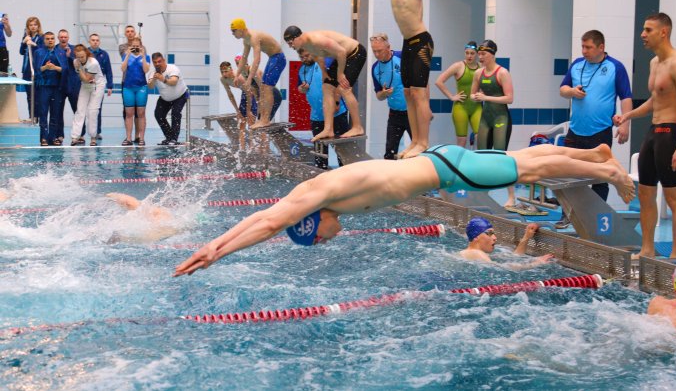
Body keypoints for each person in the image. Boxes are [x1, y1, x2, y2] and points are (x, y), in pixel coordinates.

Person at [173, 142, 634, 276]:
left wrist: (218, 253)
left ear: (313, 225)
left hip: (447, 170)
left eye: (318, 240)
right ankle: (594, 154)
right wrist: (214, 245)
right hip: (441, 159)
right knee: (526, 158)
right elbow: (266, 219)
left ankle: (608, 169)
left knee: (531, 170)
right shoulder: (318, 194)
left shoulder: (318, 197)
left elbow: (272, 222)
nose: (327, 242)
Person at [614, 13, 676, 261]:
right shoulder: (654, 63)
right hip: (653, 133)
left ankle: (675, 255)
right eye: (643, 29)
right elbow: (655, 101)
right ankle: (647, 249)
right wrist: (627, 116)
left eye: (648, 30)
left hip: (671, 135)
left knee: (674, 197)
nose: (643, 34)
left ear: (663, 32)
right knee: (645, 194)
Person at [556, 30, 633, 228]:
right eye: (583, 46)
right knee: (567, 175)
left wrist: (625, 124)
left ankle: (594, 218)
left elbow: (626, 97)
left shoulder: (615, 67)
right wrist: (571, 91)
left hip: (600, 132)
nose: (584, 51)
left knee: (600, 177)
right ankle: (567, 214)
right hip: (575, 130)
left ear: (601, 47)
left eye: (588, 47)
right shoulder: (577, 65)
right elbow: (562, 89)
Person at [381, 0, 438, 159]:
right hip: (407, 43)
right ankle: (414, 141)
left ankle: (423, 142)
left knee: (419, 93)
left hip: (421, 41)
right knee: (407, 93)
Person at [283, 25, 366, 141]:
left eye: (291, 43)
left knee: (343, 88)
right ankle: (328, 129)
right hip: (341, 56)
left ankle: (357, 127)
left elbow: (341, 52)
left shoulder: (316, 39)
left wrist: (340, 74)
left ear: (297, 37)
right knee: (326, 87)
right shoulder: (306, 45)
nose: (290, 46)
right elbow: (318, 57)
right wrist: (324, 74)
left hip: (355, 52)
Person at [470, 40, 522, 211]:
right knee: (481, 157)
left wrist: (486, 98)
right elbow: (472, 94)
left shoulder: (502, 73)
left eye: (483, 54)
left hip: (501, 118)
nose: (480, 57)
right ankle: (483, 193)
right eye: (479, 54)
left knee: (501, 158)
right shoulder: (478, 73)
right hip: (486, 118)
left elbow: (510, 98)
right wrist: (475, 97)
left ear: (492, 54)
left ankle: (511, 196)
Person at [297, 48, 350, 168]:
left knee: (342, 151)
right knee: (320, 155)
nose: (304, 59)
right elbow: (300, 88)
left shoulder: (326, 62)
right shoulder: (302, 70)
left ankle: (347, 175)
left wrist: (336, 102)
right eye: (302, 57)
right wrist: (302, 88)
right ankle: (322, 174)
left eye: (307, 56)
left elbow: (339, 82)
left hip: (336, 114)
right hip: (317, 117)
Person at [230, 18, 285, 129]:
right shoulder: (246, 40)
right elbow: (244, 58)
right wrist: (237, 75)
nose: (232, 33)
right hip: (273, 58)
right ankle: (263, 119)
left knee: (267, 88)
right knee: (264, 87)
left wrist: (249, 78)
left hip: (278, 58)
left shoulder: (253, 37)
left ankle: (265, 120)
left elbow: (257, 59)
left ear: (241, 29)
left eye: (234, 30)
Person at [370, 33, 411, 159]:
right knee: (389, 154)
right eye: (374, 51)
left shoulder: (402, 57)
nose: (377, 54)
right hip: (394, 114)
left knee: (419, 151)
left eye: (379, 51)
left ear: (388, 47)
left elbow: (423, 82)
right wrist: (384, 93)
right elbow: (379, 96)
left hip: (412, 113)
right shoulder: (375, 68)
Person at [435, 41, 482, 148]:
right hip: (461, 107)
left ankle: (479, 159)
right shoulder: (458, 66)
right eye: (467, 53)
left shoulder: (481, 67)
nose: (469, 56)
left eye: (472, 53)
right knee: (462, 141)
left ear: (477, 54)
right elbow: (439, 81)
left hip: (477, 107)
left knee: (481, 138)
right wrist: (451, 96)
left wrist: (483, 93)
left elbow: (488, 82)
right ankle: (459, 159)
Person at [459, 218, 555, 268]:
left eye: (493, 234)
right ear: (476, 237)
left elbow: (515, 256)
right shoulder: (477, 253)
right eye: (489, 234)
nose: (495, 238)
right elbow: (503, 268)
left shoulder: (472, 254)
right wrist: (536, 263)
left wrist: (526, 237)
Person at [33, 32, 69, 146]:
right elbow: (36, 69)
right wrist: (46, 67)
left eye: (52, 38)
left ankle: (53, 137)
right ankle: (44, 138)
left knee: (55, 113)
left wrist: (54, 67)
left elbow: (65, 69)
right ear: (44, 40)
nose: (50, 40)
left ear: (55, 40)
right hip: (43, 86)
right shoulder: (38, 52)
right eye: (47, 39)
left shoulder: (61, 52)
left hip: (56, 87)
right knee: (43, 113)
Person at [105, 192, 181, 244]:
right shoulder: (164, 215)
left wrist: (115, 196)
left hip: (154, 232)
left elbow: (132, 203)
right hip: (160, 232)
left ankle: (119, 238)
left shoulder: (158, 213)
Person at [147, 52, 189, 146]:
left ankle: (173, 139)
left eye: (159, 61)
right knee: (158, 115)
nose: (157, 64)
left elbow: (174, 82)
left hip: (180, 96)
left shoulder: (173, 68)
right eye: (155, 62)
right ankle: (169, 137)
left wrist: (163, 79)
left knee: (175, 113)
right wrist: (154, 79)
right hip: (165, 98)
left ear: (163, 60)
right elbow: (150, 86)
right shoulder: (153, 73)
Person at [69, 44, 106, 147]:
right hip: (85, 85)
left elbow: (86, 78)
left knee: (92, 111)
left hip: (97, 85)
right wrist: (79, 67)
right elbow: (84, 80)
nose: (80, 59)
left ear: (86, 54)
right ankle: (75, 136)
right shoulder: (75, 61)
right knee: (80, 110)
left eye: (82, 57)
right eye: (78, 57)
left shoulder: (93, 63)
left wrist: (79, 69)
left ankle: (93, 137)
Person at [120, 36, 150, 146]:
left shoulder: (146, 56)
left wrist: (143, 56)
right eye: (133, 46)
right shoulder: (125, 55)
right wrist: (128, 55)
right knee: (129, 114)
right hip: (128, 87)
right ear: (130, 46)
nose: (135, 48)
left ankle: (141, 138)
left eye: (137, 46)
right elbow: (123, 69)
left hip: (141, 87)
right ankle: (128, 138)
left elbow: (146, 70)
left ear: (141, 46)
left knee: (141, 113)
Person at [87, 33, 113, 140]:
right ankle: (82, 134)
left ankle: (96, 132)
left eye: (97, 40)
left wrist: (110, 86)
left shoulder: (104, 54)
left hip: (99, 85)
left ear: (99, 42)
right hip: (86, 84)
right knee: (84, 109)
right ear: (89, 41)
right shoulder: (85, 53)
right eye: (93, 40)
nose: (95, 42)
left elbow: (108, 71)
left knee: (97, 109)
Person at [19, 17, 44, 119]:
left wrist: (34, 44)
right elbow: (21, 52)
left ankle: (37, 117)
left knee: (37, 96)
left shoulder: (41, 38)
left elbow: (42, 52)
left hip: (36, 70)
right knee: (29, 96)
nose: (33, 27)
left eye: (35, 25)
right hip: (27, 70)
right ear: (28, 27)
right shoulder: (27, 37)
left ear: (38, 26)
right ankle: (31, 117)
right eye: (31, 25)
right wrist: (23, 42)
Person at [55, 29, 78, 145]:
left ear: (68, 38)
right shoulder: (54, 50)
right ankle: (59, 135)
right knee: (58, 111)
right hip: (59, 85)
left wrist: (70, 57)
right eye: (61, 37)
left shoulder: (74, 50)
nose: (63, 39)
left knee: (77, 110)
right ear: (58, 38)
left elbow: (79, 64)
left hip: (73, 84)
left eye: (65, 37)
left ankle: (79, 134)